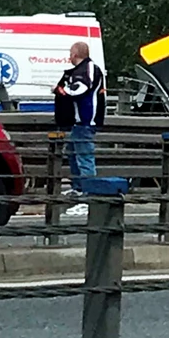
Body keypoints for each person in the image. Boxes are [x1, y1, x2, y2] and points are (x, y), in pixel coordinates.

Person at [52, 41, 106, 216]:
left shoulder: (89, 69)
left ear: (75, 54)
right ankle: (79, 189)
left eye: (70, 53)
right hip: (78, 122)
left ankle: (88, 197)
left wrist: (60, 90)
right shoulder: (83, 70)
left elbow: (80, 89)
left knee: (84, 158)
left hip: (86, 120)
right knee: (73, 154)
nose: (69, 56)